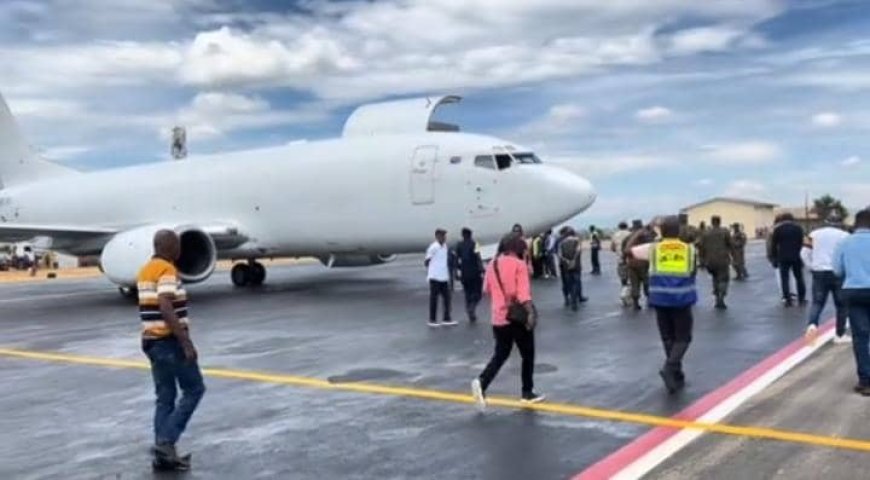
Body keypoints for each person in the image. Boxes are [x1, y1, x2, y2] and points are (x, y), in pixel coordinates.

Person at [138, 230, 205, 471]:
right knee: (194, 389)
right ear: (170, 247)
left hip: (152, 342)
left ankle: (164, 455)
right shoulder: (167, 270)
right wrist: (186, 342)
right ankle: (166, 441)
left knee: (165, 397)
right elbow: (165, 305)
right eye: (177, 246)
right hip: (169, 342)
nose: (180, 250)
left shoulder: (146, 270)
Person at [471, 233, 544, 410]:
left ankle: (482, 381)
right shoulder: (519, 265)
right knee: (527, 354)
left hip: (498, 318)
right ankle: (527, 392)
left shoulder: (492, 264)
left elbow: (486, 289)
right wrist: (530, 313)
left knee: (501, 354)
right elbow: (523, 294)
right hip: (516, 317)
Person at [631, 216, 697, 393]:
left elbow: (629, 251)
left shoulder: (653, 249)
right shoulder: (689, 250)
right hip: (681, 299)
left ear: (662, 231)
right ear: (679, 231)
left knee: (668, 338)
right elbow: (693, 271)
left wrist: (639, 233)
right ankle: (670, 367)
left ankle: (675, 373)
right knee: (683, 338)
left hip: (660, 299)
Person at [832, 209, 870, 396]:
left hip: (854, 292)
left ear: (856, 224)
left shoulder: (844, 242)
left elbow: (837, 270)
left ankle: (866, 381)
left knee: (861, 337)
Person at [804, 215, 851, 343]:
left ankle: (812, 325)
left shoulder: (814, 234)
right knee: (841, 305)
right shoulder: (845, 236)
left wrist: (811, 266)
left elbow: (804, 252)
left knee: (817, 302)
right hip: (838, 272)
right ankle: (840, 335)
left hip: (819, 272)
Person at [769, 213, 807, 306]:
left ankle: (787, 299)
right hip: (796, 256)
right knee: (799, 278)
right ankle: (801, 298)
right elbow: (801, 242)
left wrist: (774, 258)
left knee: (784, 279)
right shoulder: (798, 228)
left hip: (783, 257)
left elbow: (773, 245)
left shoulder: (778, 229)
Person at [698, 215, 733, 310]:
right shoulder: (725, 232)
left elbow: (700, 246)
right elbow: (731, 244)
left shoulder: (705, 233)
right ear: (719, 222)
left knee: (715, 278)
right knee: (723, 279)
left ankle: (717, 297)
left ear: (712, 222)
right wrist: (732, 256)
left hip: (710, 261)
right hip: (722, 260)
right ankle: (721, 296)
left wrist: (702, 260)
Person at [425, 229, 456, 327]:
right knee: (434, 299)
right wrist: (432, 268)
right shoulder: (433, 247)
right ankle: (432, 320)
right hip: (435, 277)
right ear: (437, 236)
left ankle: (446, 318)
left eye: (445, 236)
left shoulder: (445, 246)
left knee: (447, 298)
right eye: (442, 236)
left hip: (443, 277)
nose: (444, 237)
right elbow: (427, 261)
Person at [455, 228, 485, 323]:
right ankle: (472, 307)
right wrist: (482, 270)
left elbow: (456, 260)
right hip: (475, 272)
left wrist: (456, 272)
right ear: (470, 235)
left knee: (467, 293)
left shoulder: (459, 245)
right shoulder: (475, 244)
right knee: (478, 293)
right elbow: (478, 258)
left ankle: (470, 311)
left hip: (464, 273)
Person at [624, 219, 652, 310]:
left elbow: (624, 250)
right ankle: (649, 299)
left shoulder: (628, 237)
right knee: (647, 281)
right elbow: (651, 247)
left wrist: (625, 260)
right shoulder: (646, 235)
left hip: (631, 262)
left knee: (634, 283)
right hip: (643, 262)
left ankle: (636, 303)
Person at [559, 227, 587, 310]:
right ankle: (574, 300)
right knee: (576, 282)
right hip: (576, 265)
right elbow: (578, 251)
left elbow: (560, 254)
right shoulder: (577, 241)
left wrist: (567, 261)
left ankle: (567, 299)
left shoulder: (562, 242)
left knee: (568, 283)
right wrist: (573, 260)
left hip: (565, 266)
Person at [611, 222, 632, 306]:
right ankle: (630, 296)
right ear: (627, 227)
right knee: (632, 279)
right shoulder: (630, 234)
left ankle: (624, 292)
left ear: (619, 227)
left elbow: (612, 248)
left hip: (620, 260)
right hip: (630, 258)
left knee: (623, 279)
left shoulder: (615, 235)